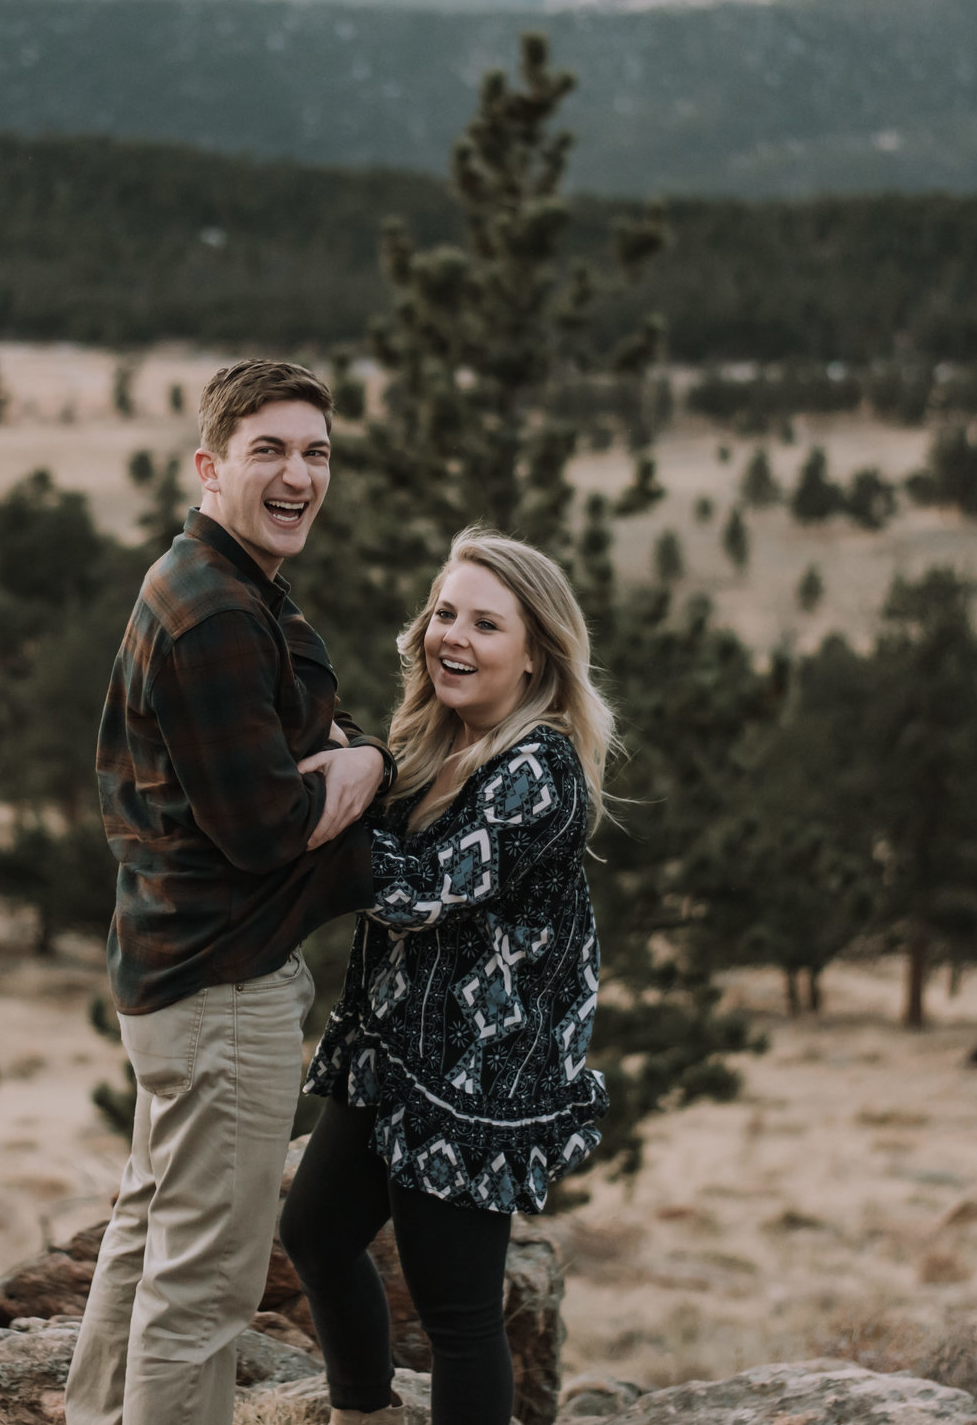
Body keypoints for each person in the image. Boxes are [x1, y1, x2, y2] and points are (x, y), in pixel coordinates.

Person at [67, 359, 395, 1425]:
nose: (298, 474)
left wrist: (320, 756)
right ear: (209, 467)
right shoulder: (213, 610)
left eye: (315, 453)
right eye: (269, 451)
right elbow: (265, 826)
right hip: (221, 987)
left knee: (149, 1221)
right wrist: (363, 768)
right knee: (203, 1285)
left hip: (175, 970)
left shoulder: (217, 580)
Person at [283, 528, 615, 1425]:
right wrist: (363, 762)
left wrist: (311, 807)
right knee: (314, 1233)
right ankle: (366, 1413)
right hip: (395, 1050)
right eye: (444, 613)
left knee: (458, 1316)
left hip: (475, 1081)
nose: (452, 637)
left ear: (536, 653)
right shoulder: (432, 746)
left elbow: (423, 891)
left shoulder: (538, 768)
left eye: (485, 624)